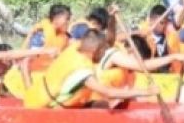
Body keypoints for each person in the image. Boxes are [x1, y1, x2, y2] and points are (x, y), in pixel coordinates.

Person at [23, 30, 159, 109]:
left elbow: (110, 39)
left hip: (34, 98)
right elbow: (109, 92)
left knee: (101, 104)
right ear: (96, 50)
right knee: (105, 101)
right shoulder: (82, 70)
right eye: (103, 51)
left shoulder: (75, 48)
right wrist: (147, 92)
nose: (104, 54)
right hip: (45, 110)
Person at [24, 4, 72, 73]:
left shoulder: (65, 37)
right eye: (67, 19)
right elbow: (26, 61)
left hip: (49, 75)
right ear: (56, 18)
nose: (68, 22)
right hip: (32, 75)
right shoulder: (41, 33)